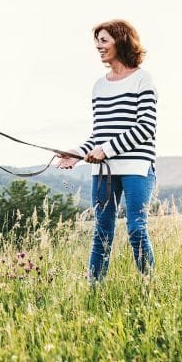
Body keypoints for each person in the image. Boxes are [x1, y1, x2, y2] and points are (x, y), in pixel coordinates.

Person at [56, 19, 157, 281]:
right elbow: (98, 135)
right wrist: (77, 153)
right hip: (104, 173)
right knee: (101, 232)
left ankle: (149, 286)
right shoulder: (99, 86)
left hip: (136, 168)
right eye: (97, 42)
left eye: (104, 41)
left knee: (136, 229)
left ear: (121, 41)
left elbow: (146, 127)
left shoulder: (142, 80)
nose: (98, 47)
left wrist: (107, 150)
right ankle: (94, 291)